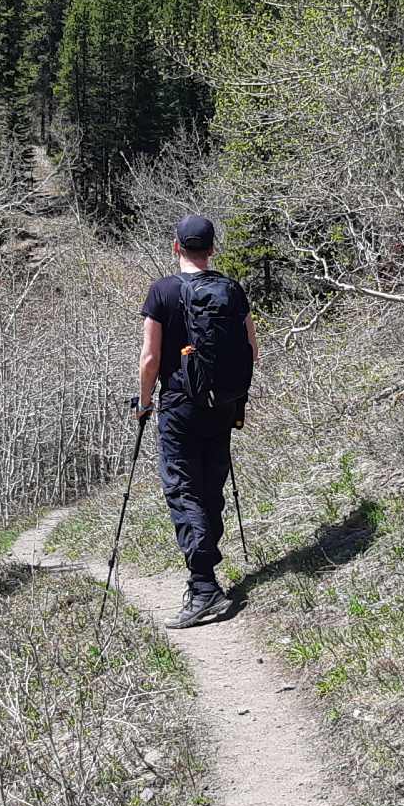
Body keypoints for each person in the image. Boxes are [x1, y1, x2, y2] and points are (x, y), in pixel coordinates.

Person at [136, 213, 259, 629]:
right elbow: (252, 350)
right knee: (210, 484)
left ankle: (203, 585)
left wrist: (144, 401)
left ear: (176, 247)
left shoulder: (162, 291)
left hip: (178, 406)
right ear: (212, 248)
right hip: (222, 404)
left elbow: (151, 358)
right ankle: (206, 575)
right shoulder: (231, 289)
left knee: (183, 487)